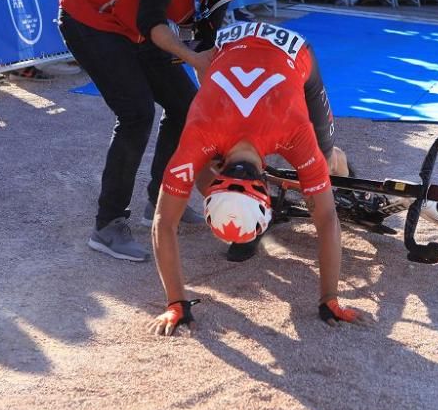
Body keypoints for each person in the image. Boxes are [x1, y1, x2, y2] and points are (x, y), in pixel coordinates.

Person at [57, 0, 274, 262]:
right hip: (91, 17)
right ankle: (108, 224)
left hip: (137, 30)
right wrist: (192, 59)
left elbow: (205, 49)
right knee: (136, 112)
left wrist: (220, 113)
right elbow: (151, 21)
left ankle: (160, 201)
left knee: (186, 106)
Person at [148, 21, 367, 336]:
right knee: (197, 164)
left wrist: (176, 304)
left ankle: (337, 161)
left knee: (326, 159)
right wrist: (328, 299)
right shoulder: (200, 136)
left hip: (292, 51)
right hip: (233, 47)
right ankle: (320, 171)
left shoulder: (292, 131)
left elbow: (163, 224)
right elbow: (163, 221)